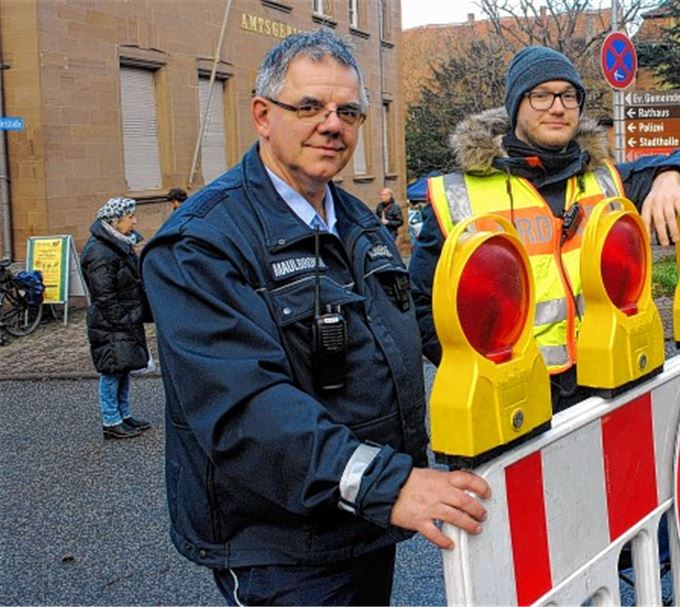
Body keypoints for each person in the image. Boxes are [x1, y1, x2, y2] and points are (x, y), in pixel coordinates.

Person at [140, 30, 489, 605]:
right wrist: (387, 482)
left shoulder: (359, 224)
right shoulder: (201, 243)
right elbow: (244, 411)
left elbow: (411, 340)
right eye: (308, 107)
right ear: (262, 115)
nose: (332, 124)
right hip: (281, 549)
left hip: (364, 523)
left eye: (347, 111)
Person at [408, 45, 680, 412]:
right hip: (511, 404)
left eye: (569, 96)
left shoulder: (608, 180)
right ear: (515, 106)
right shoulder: (456, 196)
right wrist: (479, 374)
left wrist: (673, 176)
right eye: (541, 96)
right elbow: (421, 306)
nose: (557, 107)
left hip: (610, 383)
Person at [81, 196, 152, 440]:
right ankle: (111, 421)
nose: (135, 220)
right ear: (115, 221)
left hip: (123, 318)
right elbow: (104, 295)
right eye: (130, 217)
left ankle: (124, 415)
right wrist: (123, 320)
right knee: (112, 371)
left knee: (123, 368)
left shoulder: (117, 245)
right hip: (111, 321)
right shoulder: (101, 252)